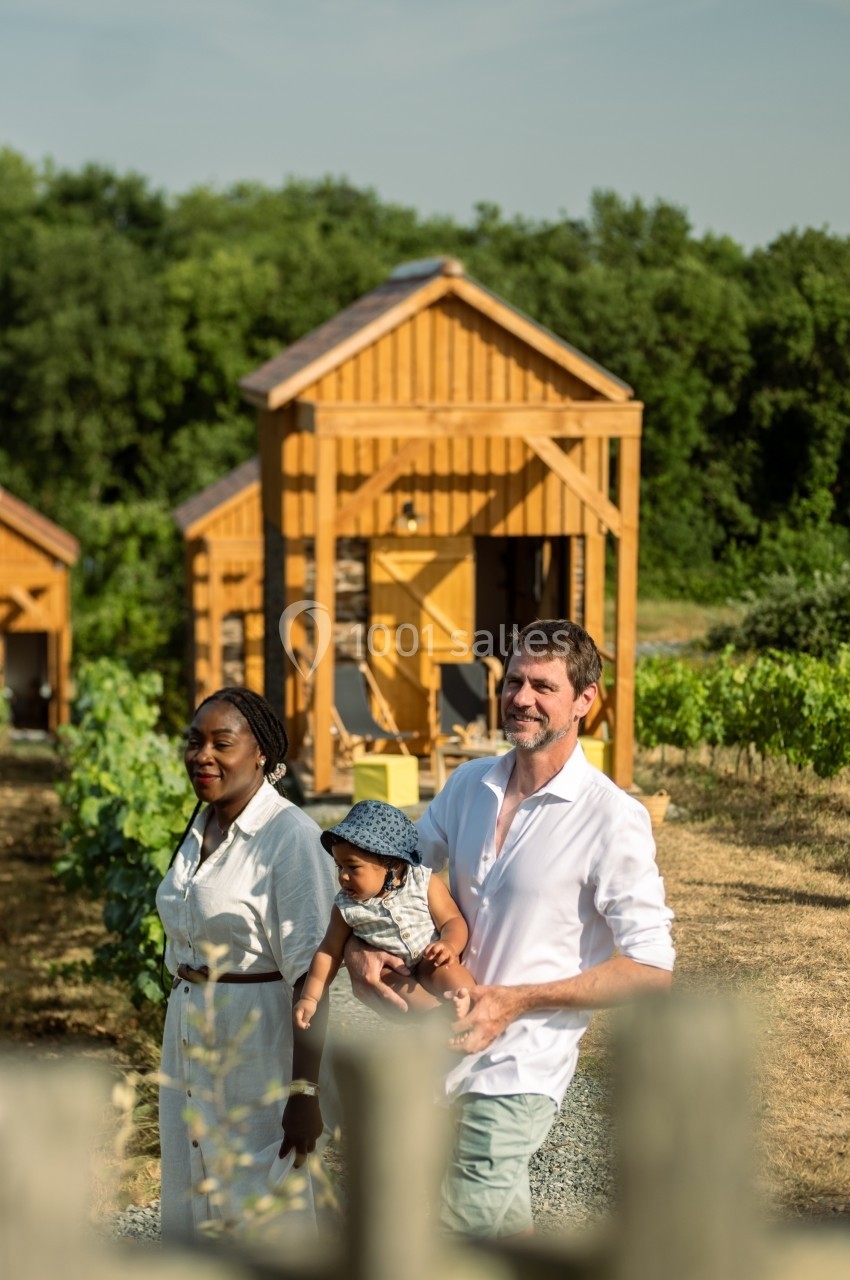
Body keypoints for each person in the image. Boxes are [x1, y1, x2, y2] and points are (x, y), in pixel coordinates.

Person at [346, 619, 675, 1239]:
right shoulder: (469, 784)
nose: (522, 698)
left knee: (461, 1231)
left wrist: (513, 1001)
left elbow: (652, 971)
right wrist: (363, 947)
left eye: (543, 687)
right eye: (515, 681)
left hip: (519, 1069)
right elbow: (399, 876)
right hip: (433, 1048)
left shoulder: (613, 819)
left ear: (584, 701)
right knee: (478, 1238)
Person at [156, 687, 337, 1241]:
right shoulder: (200, 825)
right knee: (193, 1186)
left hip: (257, 1040)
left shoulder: (291, 837)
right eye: (194, 742)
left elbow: (315, 975)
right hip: (188, 1032)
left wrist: (304, 1093)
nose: (202, 755)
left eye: (221, 743)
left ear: (260, 753)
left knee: (262, 1204)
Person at [293, 800, 475, 1030]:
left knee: (448, 972)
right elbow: (329, 951)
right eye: (340, 867)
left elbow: (452, 920)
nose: (343, 877)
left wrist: (449, 945)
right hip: (394, 969)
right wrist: (310, 998)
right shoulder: (346, 906)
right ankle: (436, 1015)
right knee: (389, 981)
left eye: (353, 867)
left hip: (430, 957)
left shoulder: (422, 882)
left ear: (392, 864)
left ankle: (469, 1001)